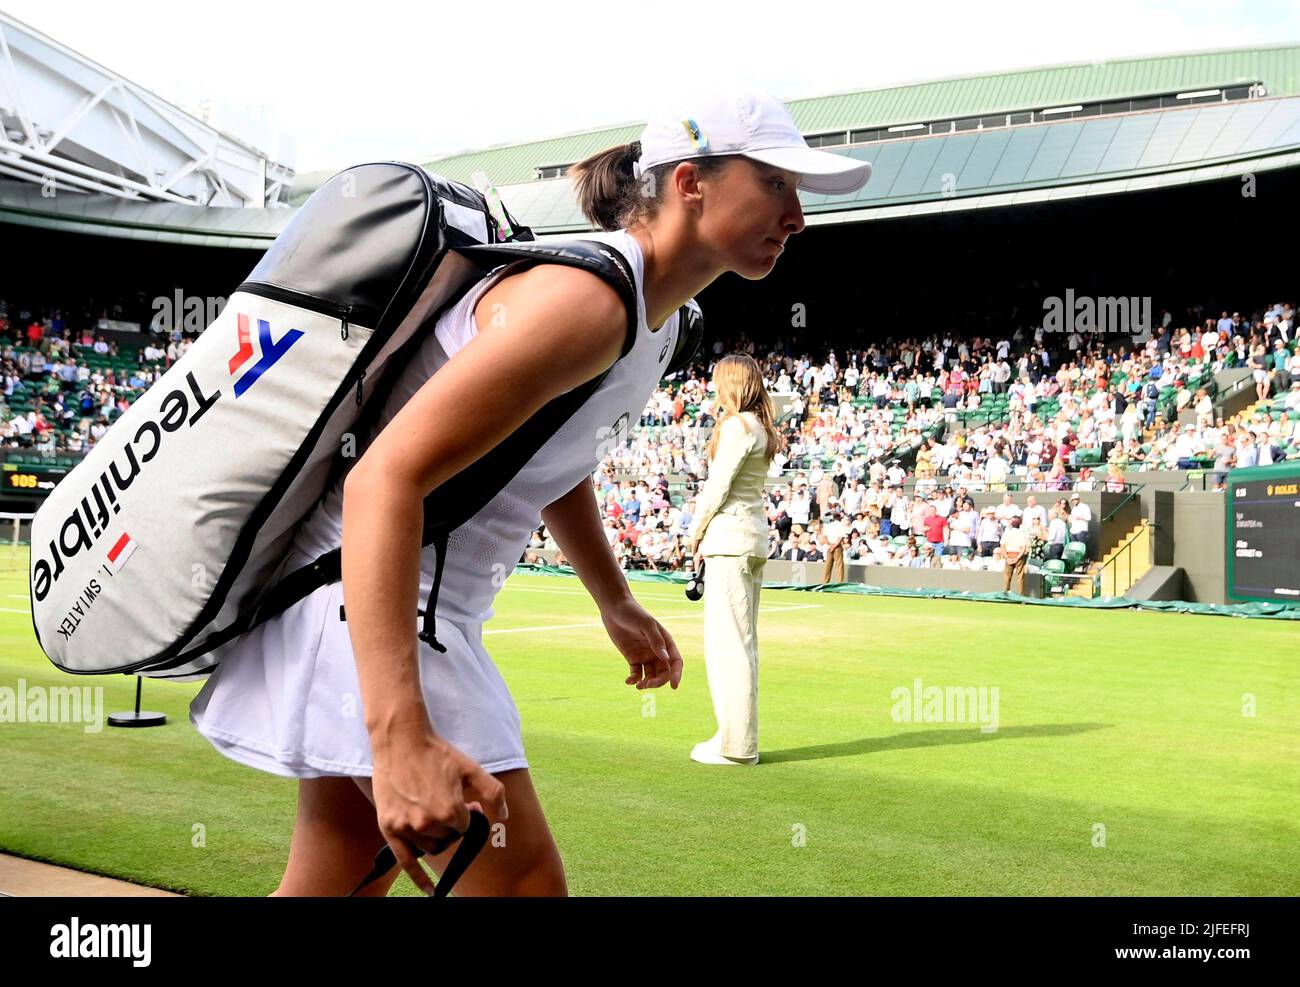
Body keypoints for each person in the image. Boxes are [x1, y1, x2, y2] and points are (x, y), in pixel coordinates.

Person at [185, 88, 871, 897]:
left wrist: (614, 600)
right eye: (776, 184)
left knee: (333, 887)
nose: (798, 216)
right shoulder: (587, 300)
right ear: (691, 182)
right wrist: (398, 732)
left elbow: (554, 452)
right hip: (376, 607)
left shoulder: (661, 319)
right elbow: (382, 478)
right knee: (522, 887)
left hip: (375, 603)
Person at [687, 355, 786, 767]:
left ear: (730, 384)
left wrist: (694, 533)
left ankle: (737, 746)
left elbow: (717, 488)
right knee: (741, 644)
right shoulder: (762, 429)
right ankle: (734, 736)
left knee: (728, 646)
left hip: (728, 541)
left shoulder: (736, 426)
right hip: (751, 539)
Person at [1001, 515, 1029, 594]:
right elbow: (1023, 547)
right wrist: (1017, 558)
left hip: (1009, 555)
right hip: (1018, 556)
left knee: (1007, 577)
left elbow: (1002, 545)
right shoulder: (1022, 533)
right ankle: (1021, 596)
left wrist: (1007, 558)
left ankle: (1006, 594)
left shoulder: (1007, 532)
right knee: (1020, 577)